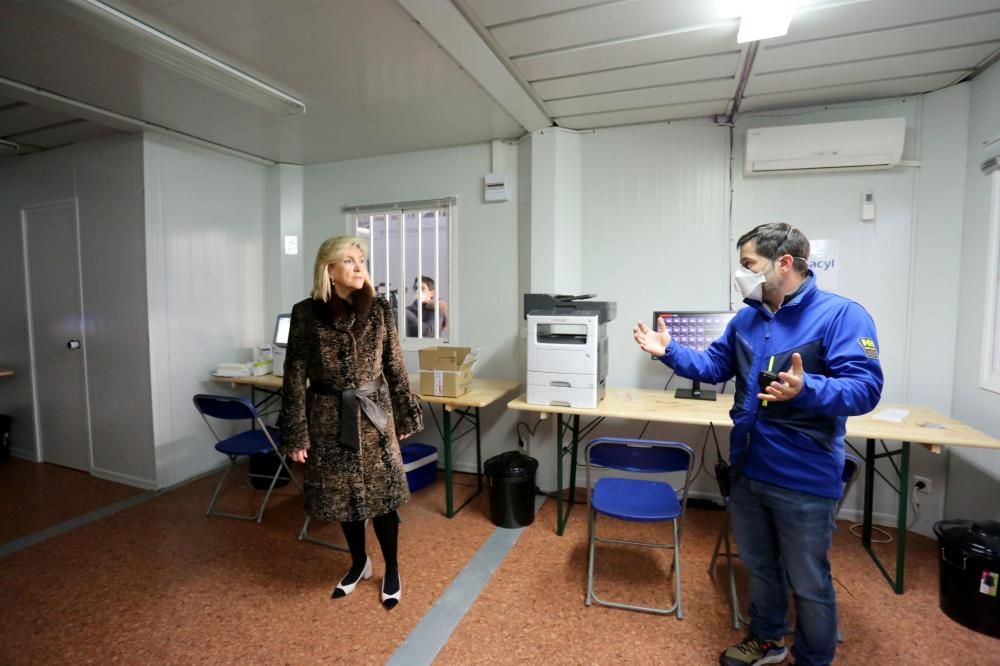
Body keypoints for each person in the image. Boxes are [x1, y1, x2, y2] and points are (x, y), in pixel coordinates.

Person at [633, 223, 883, 666]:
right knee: (760, 568)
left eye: (748, 264)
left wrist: (807, 389)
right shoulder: (747, 317)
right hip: (749, 468)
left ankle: (813, 659)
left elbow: (865, 389)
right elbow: (713, 366)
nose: (742, 273)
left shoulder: (841, 315)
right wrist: (669, 350)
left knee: (809, 581)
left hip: (804, 476)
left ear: (783, 263)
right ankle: (768, 640)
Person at [279, 236, 423, 609]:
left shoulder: (379, 310)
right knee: (344, 499)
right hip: (327, 419)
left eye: (362, 260)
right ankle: (359, 563)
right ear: (329, 269)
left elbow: (395, 364)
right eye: (350, 260)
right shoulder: (305, 314)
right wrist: (296, 433)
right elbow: (294, 374)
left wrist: (406, 411)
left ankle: (391, 569)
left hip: (375, 417)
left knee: (383, 498)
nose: (360, 268)